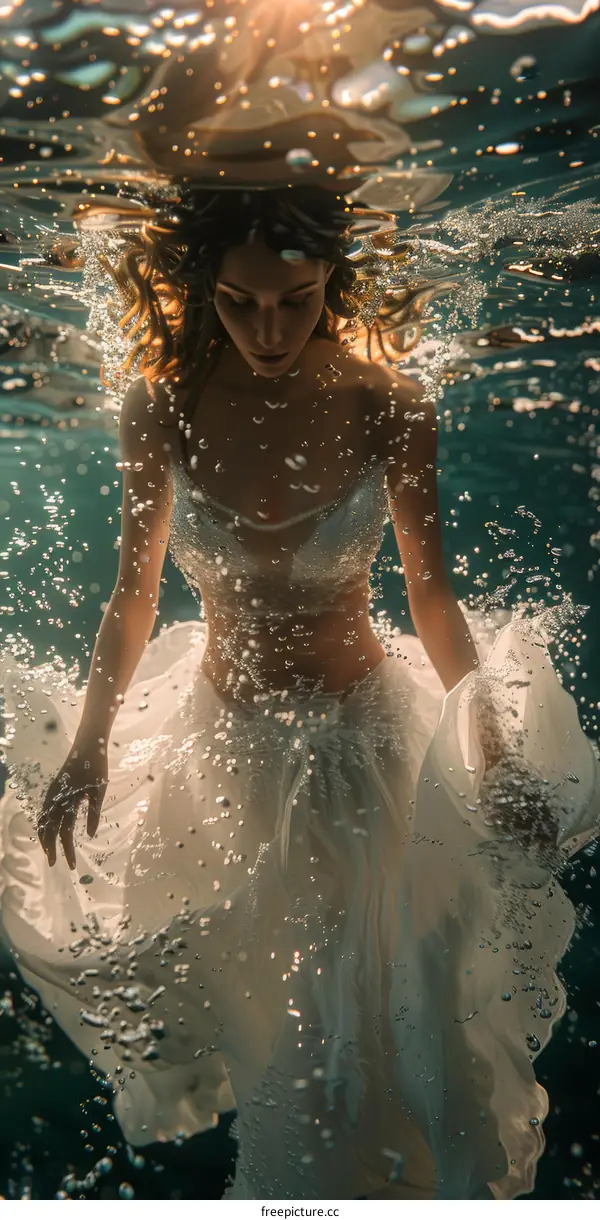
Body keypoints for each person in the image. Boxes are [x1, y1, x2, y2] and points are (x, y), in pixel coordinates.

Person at [0, 185, 598, 1201]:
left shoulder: (390, 401)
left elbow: (432, 595)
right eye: (240, 303)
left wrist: (491, 750)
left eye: (296, 300)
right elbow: (131, 596)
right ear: (203, 288)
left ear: (333, 282)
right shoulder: (161, 403)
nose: (269, 330)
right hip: (221, 760)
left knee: (376, 1036)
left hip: (371, 757)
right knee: (288, 1039)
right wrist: (90, 743)